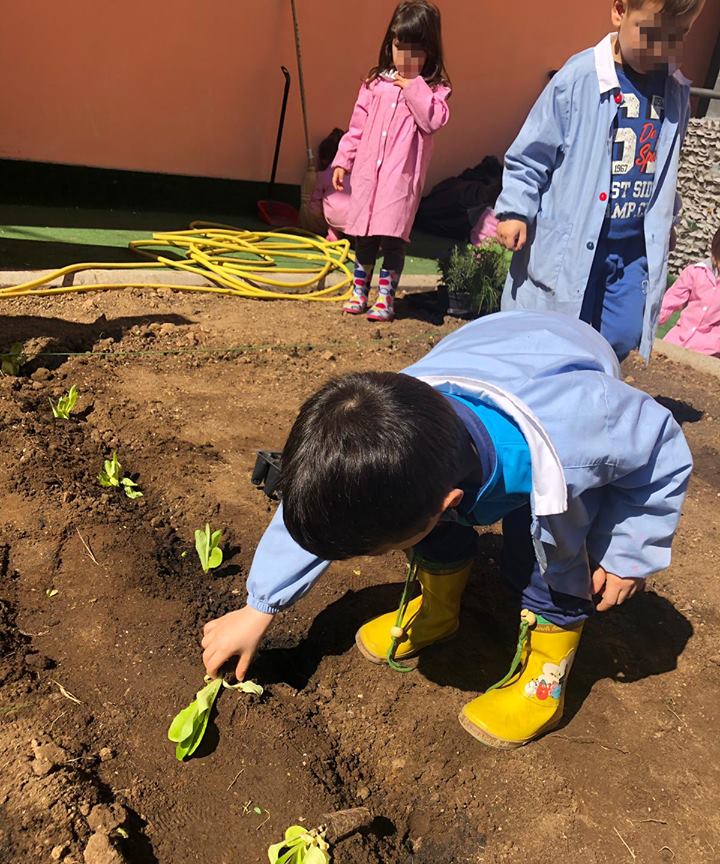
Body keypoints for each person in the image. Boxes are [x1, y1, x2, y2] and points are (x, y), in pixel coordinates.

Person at [201, 312, 693, 750]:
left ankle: (544, 684)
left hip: (571, 378)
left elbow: (661, 449)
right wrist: (258, 606)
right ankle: (439, 611)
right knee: (413, 521)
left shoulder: (579, 441)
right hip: (494, 349)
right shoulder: (389, 429)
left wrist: (629, 553)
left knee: (551, 550)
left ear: (451, 503)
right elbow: (328, 505)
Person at [495, 0, 706, 361]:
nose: (662, 50)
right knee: (557, 328)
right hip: (573, 240)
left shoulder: (675, 91)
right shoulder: (577, 80)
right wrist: (516, 208)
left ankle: (592, 385)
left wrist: (666, 220)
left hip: (631, 247)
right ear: (620, 11)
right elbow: (532, 153)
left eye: (677, 37)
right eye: (652, 35)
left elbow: (665, 165)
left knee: (621, 333)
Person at [332, 0, 451, 321]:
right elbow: (356, 127)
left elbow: (433, 120)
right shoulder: (375, 85)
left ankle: (386, 297)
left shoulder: (434, 91)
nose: (406, 59)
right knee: (365, 237)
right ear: (390, 45)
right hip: (369, 178)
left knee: (393, 238)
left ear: (429, 53)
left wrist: (414, 87)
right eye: (400, 48)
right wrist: (344, 161)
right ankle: (360, 290)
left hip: (400, 181)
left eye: (416, 51)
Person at [658, 225, 720, 357]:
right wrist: (650, 323)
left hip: (708, 352)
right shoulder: (696, 272)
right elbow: (670, 302)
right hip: (676, 341)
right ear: (714, 254)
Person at [304, 128, 351, 241]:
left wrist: (311, 220)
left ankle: (333, 234)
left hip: (335, 219)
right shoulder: (358, 171)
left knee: (333, 209)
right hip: (357, 222)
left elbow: (315, 205)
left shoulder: (323, 175)